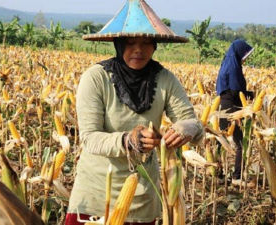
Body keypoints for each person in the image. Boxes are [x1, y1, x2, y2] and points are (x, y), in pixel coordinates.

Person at [65, 0, 204, 224]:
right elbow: (90, 139)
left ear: (155, 45)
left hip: (143, 195)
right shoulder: (96, 78)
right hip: (97, 193)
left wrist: (186, 128)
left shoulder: (165, 79)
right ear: (118, 44)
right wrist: (129, 140)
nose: (138, 49)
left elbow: (193, 125)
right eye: (130, 42)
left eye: (147, 42)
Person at [216, 39, 254, 185]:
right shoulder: (233, 69)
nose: (245, 60)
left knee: (221, 140)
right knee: (241, 143)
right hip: (231, 106)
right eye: (245, 56)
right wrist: (251, 95)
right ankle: (237, 177)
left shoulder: (226, 64)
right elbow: (237, 92)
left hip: (223, 105)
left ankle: (218, 174)